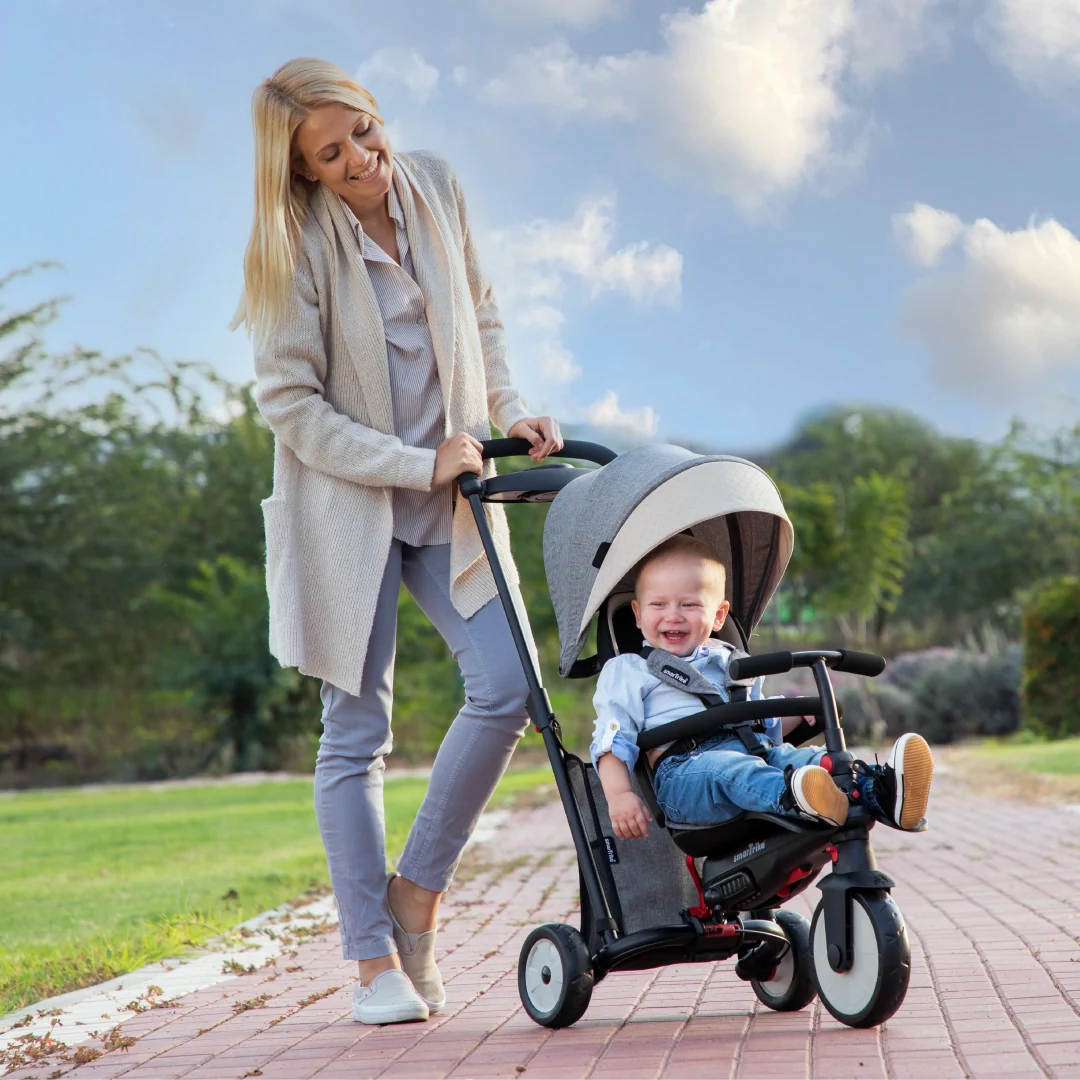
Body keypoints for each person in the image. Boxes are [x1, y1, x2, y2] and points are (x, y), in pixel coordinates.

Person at [236, 58, 563, 1025]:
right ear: (300, 172)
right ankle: (375, 961)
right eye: (329, 156)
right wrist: (411, 462)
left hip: (453, 502)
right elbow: (289, 406)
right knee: (356, 734)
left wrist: (511, 412)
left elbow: (484, 315)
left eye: (363, 134)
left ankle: (414, 896)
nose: (360, 161)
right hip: (352, 511)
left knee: (510, 689)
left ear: (380, 117)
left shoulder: (439, 185)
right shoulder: (291, 246)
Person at [590, 535, 934, 841]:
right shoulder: (629, 671)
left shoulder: (731, 661)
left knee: (812, 759)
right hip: (686, 777)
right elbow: (611, 740)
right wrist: (619, 795)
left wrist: (795, 714)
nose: (673, 616)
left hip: (755, 751)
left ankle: (881, 792)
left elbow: (760, 727)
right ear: (637, 614)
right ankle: (798, 798)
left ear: (719, 615)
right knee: (728, 768)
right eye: (658, 604)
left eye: (689, 604)